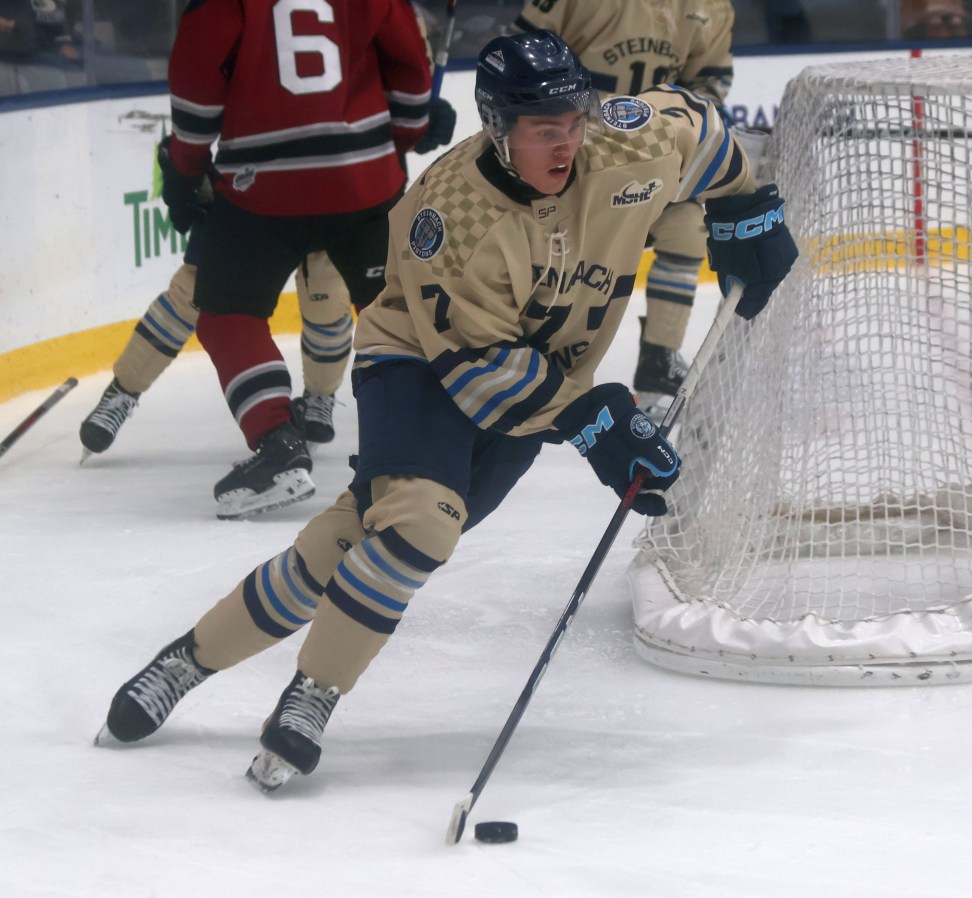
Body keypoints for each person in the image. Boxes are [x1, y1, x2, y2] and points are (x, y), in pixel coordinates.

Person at [95, 31, 797, 793]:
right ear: (498, 129)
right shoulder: (453, 210)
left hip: (538, 383)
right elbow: (478, 363)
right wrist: (598, 422)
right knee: (422, 525)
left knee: (347, 542)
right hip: (423, 364)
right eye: (542, 130)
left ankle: (184, 661)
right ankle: (313, 695)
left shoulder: (627, 138)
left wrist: (744, 206)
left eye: (573, 121)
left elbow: (701, 126)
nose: (566, 143)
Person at [159, 0, 434, 519]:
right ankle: (427, 442)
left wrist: (185, 166)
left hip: (261, 186)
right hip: (365, 179)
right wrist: (401, 137)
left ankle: (275, 441)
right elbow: (413, 73)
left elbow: (196, 83)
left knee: (226, 313)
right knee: (394, 309)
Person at [513, 0, 739, 415]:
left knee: (687, 226)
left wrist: (673, 127)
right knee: (552, 248)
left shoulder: (710, 6)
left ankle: (658, 358)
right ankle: (526, 354)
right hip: (570, 148)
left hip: (650, 154)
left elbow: (708, 81)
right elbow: (519, 57)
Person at [78, 223, 355, 466]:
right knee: (193, 292)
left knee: (326, 294)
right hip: (247, 183)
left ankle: (320, 395)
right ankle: (122, 391)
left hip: (320, 188)